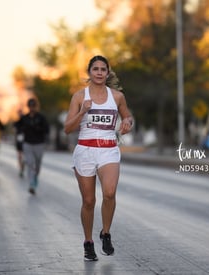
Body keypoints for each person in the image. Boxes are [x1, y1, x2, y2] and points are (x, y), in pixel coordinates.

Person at [64, 55, 133, 261]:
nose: (100, 72)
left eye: (103, 69)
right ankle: (88, 242)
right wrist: (83, 112)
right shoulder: (79, 97)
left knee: (109, 193)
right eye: (96, 69)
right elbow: (68, 128)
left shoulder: (117, 96)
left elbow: (127, 116)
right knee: (88, 201)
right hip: (85, 150)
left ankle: (105, 233)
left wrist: (127, 123)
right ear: (89, 72)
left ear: (108, 72)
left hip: (108, 149)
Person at [15, 99, 49, 194]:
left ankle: (35, 177)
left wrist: (38, 129)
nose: (32, 108)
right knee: (30, 163)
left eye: (33, 106)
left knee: (37, 165)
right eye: (30, 106)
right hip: (28, 144)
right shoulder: (25, 118)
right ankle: (31, 184)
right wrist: (21, 129)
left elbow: (46, 129)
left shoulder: (41, 118)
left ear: (36, 107)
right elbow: (16, 126)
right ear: (28, 107)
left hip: (39, 144)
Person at [14, 110, 25, 178]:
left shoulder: (26, 121)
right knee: (19, 155)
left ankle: (23, 166)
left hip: (26, 140)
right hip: (19, 140)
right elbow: (14, 130)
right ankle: (21, 168)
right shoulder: (17, 122)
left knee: (25, 155)